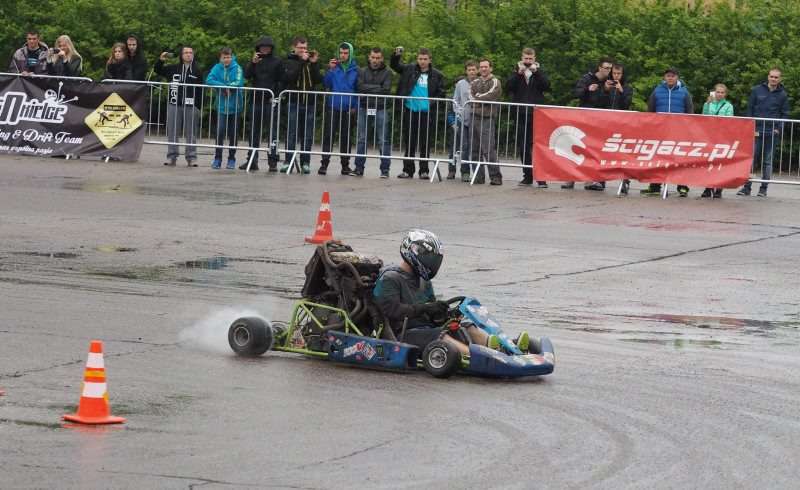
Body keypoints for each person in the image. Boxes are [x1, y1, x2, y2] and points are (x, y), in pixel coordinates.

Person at [374, 229, 521, 357]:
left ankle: (501, 349)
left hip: (424, 328)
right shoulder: (390, 278)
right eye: (429, 258)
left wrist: (444, 313)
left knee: (464, 326)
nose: (432, 263)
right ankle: (481, 357)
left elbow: (430, 310)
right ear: (414, 251)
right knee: (439, 336)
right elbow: (392, 311)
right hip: (401, 334)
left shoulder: (424, 280)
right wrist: (426, 308)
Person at [390, 47, 445, 179]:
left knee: (425, 142)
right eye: (420, 59)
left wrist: (432, 102)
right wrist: (396, 55)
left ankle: (424, 171)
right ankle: (408, 170)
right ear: (417, 59)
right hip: (410, 110)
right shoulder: (409, 69)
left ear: (430, 60)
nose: (422, 61)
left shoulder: (437, 75)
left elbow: (441, 93)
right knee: (409, 141)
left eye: (425, 59)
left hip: (426, 112)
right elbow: (395, 66)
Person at [737, 68, 790, 198]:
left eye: (776, 77)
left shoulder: (783, 95)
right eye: (772, 76)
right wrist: (749, 125)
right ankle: (746, 188)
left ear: (780, 79)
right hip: (756, 131)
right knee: (751, 160)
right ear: (768, 77)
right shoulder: (757, 90)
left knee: (767, 161)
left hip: (772, 133)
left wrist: (779, 128)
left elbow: (785, 114)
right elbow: (750, 108)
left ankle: (763, 189)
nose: (773, 79)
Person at [643, 67, 694, 197]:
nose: (670, 78)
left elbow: (690, 112)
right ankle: (655, 186)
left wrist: (687, 128)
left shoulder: (684, 92)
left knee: (680, 158)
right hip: (660, 131)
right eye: (668, 76)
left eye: (673, 76)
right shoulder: (657, 91)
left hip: (679, 131)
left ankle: (682, 186)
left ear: (677, 77)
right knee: (658, 158)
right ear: (664, 77)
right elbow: (650, 110)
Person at [564, 57, 614, 190]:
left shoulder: (610, 82)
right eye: (606, 68)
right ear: (599, 67)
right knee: (579, 147)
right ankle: (571, 178)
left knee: (595, 150)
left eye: (610, 68)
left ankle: (590, 180)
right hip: (585, 118)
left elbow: (608, 102)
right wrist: (588, 89)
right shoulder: (587, 78)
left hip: (600, 120)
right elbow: (576, 93)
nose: (608, 71)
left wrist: (606, 90)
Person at [506, 47, 549, 188]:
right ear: (522, 58)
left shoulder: (540, 71)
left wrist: (537, 73)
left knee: (537, 146)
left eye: (530, 59)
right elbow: (509, 87)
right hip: (521, 113)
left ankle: (541, 177)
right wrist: (518, 74)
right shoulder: (516, 71)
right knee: (523, 145)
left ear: (534, 59)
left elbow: (547, 86)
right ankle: (527, 176)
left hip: (537, 114)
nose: (528, 61)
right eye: (526, 58)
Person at [155, 45, 202, 167]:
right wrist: (161, 59)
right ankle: (172, 157)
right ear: (181, 55)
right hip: (174, 104)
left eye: (190, 52)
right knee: (172, 131)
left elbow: (201, 90)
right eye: (186, 52)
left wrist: (198, 106)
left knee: (191, 132)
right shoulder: (173, 68)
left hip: (191, 105)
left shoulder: (197, 71)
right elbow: (158, 70)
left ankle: (191, 158)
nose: (188, 54)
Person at [280, 36, 322, 174]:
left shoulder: (310, 62)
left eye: (305, 48)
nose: (303, 50)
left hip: (309, 103)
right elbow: (289, 78)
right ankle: (288, 161)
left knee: (307, 135)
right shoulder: (288, 61)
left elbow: (317, 80)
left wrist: (314, 64)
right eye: (300, 48)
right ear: (294, 48)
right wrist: (302, 62)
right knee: (291, 133)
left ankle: (305, 162)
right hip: (294, 102)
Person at [243, 36, 282, 171]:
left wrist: (275, 96)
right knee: (253, 132)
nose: (265, 49)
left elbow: (281, 81)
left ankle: (273, 161)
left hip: (270, 102)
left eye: (267, 47)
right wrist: (252, 63)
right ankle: (252, 160)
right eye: (262, 47)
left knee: (272, 133)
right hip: (255, 100)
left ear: (271, 48)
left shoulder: (277, 61)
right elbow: (246, 76)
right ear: (258, 48)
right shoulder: (255, 61)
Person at [320, 42, 358, 176]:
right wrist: (330, 70)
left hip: (348, 108)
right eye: (341, 52)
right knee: (328, 135)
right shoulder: (334, 68)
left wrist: (355, 106)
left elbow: (359, 90)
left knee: (346, 137)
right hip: (333, 106)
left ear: (350, 54)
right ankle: (324, 164)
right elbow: (326, 83)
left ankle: (345, 166)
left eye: (346, 53)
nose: (343, 55)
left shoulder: (356, 70)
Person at [354, 47, 393, 178]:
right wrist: (377, 87)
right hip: (364, 107)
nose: (375, 60)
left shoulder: (387, 72)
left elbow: (386, 90)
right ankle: (359, 168)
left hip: (381, 108)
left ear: (382, 59)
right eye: (373, 57)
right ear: (369, 57)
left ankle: (385, 170)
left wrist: (368, 89)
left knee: (383, 140)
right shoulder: (362, 71)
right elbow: (359, 87)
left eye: (378, 58)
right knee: (362, 139)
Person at [205, 47, 244, 169]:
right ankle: (217, 158)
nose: (227, 59)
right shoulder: (217, 67)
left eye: (229, 57)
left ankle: (231, 159)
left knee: (233, 133)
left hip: (235, 106)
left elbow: (238, 82)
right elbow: (209, 80)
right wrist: (223, 86)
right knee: (220, 131)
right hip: (221, 106)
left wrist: (229, 87)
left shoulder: (237, 68)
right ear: (220, 58)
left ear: (232, 57)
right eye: (224, 57)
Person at [598, 63, 634, 194]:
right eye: (614, 73)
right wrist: (606, 90)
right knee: (603, 151)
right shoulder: (605, 85)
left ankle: (625, 181)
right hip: (606, 122)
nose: (616, 76)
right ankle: (601, 179)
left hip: (621, 124)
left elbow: (627, 104)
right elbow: (599, 103)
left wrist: (621, 91)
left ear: (622, 75)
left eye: (619, 74)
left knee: (622, 154)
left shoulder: (627, 88)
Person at [470, 58, 503, 185]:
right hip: (474, 117)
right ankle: (478, 176)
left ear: (491, 68)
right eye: (481, 67)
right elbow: (470, 96)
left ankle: (495, 177)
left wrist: (478, 99)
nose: (483, 69)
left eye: (486, 67)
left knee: (488, 148)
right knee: (474, 148)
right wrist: (479, 100)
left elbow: (492, 95)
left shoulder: (495, 81)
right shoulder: (474, 82)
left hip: (487, 118)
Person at [701, 84, 734, 198]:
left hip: (722, 137)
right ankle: (708, 187)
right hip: (709, 136)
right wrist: (707, 104)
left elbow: (729, 121)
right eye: (718, 92)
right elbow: (703, 117)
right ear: (714, 92)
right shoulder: (708, 103)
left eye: (722, 92)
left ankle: (719, 188)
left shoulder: (728, 106)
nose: (719, 94)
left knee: (721, 163)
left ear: (725, 94)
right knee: (708, 162)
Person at [451, 60, 478, 182]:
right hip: (463, 119)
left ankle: (477, 172)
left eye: (473, 69)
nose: (471, 72)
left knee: (476, 147)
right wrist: (459, 112)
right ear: (466, 71)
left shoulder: (480, 82)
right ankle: (465, 172)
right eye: (469, 70)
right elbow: (455, 100)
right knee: (464, 146)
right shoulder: (460, 84)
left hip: (477, 119)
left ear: (477, 70)